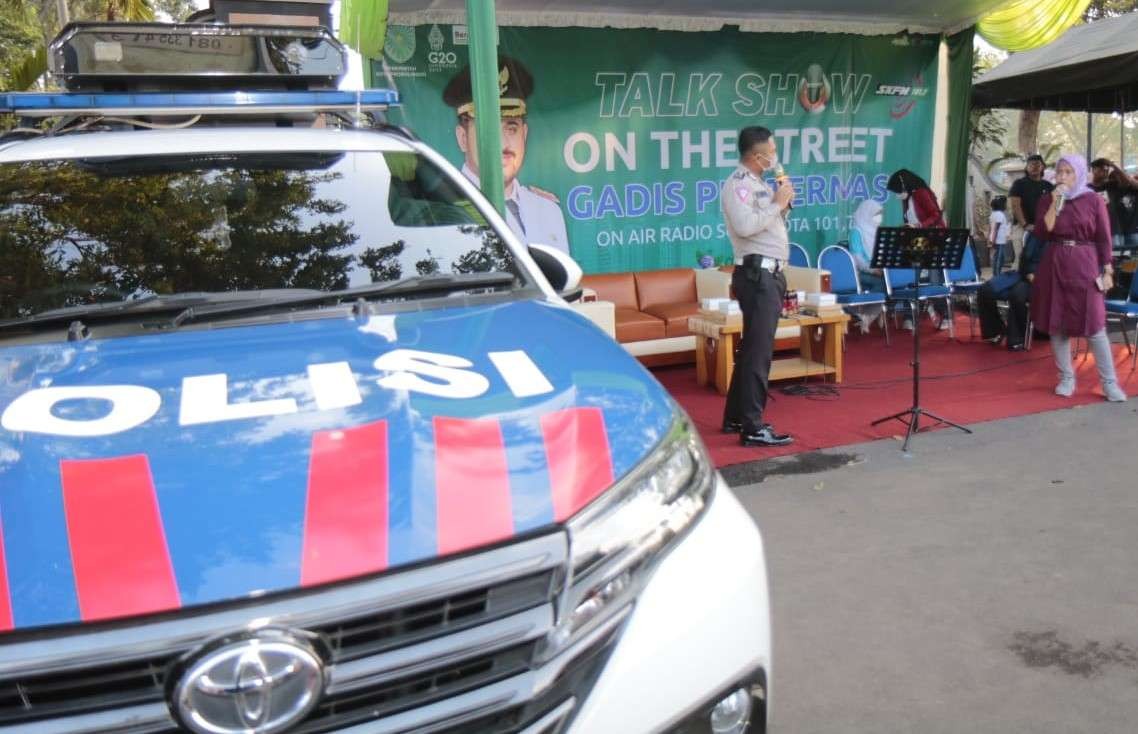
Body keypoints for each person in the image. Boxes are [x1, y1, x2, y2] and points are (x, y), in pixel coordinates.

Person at [442, 56, 570, 254]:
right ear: (462, 138)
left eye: (511, 129)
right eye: (489, 131)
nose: (503, 143)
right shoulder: (444, 214)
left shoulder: (548, 211)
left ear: (524, 135)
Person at [720, 126, 796, 447]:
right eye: (772, 150)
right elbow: (746, 226)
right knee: (759, 353)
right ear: (756, 155)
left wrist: (783, 204)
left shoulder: (760, 184)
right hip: (756, 275)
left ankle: (736, 416)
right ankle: (752, 426)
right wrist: (777, 204)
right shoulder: (737, 185)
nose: (775, 156)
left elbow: (769, 224)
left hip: (769, 275)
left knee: (752, 349)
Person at [1031, 153, 1127, 402]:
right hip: (1054, 262)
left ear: (1079, 174)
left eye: (1068, 172)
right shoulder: (1048, 199)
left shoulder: (1093, 199)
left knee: (1095, 325)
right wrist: (1055, 201)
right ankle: (1066, 378)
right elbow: (1042, 231)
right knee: (1057, 325)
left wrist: (1107, 268)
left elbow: (1104, 236)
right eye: (1060, 172)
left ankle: (1109, 383)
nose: (1063, 176)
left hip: (1085, 262)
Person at [885, 168, 949, 329]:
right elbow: (909, 218)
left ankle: (945, 316)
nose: (897, 195)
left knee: (935, 279)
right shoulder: (906, 198)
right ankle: (909, 316)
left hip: (933, 238)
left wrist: (920, 225)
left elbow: (936, 215)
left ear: (904, 186)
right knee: (911, 277)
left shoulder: (921, 193)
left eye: (897, 191)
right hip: (917, 240)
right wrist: (907, 227)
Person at [976, 231, 1047, 351]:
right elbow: (1024, 260)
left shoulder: (1059, 236)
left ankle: (1017, 338)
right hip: (1020, 273)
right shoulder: (1033, 233)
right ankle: (996, 331)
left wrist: (1037, 276)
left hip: (1042, 280)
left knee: (1017, 294)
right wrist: (1027, 272)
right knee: (985, 289)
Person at [847, 198, 886, 333]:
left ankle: (866, 316)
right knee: (883, 283)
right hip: (860, 272)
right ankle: (867, 315)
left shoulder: (877, 231)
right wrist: (873, 270)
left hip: (877, 270)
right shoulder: (856, 232)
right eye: (876, 214)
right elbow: (857, 259)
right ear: (866, 213)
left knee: (887, 281)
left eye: (880, 213)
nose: (879, 217)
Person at [1009, 153, 1054, 269]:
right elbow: (1015, 205)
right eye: (1031, 164)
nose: (1034, 167)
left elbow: (1054, 208)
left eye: (1037, 164)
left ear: (1043, 167)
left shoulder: (1049, 186)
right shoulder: (1019, 184)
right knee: (1021, 259)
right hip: (1021, 227)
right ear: (1026, 167)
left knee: (1043, 260)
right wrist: (1025, 224)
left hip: (1043, 229)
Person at [1090, 157, 1138, 253]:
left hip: (1119, 233)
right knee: (1110, 264)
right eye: (1102, 169)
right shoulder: (1089, 188)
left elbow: (1128, 181)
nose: (1105, 172)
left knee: (1128, 262)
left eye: (1107, 170)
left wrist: (1114, 166)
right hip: (1104, 233)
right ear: (1094, 170)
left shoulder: (1113, 186)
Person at [988, 195, 1010, 273]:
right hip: (999, 240)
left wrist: (990, 239)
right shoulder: (999, 215)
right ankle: (996, 274)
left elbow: (990, 229)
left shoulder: (993, 214)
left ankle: (996, 273)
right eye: (1005, 203)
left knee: (998, 257)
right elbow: (995, 229)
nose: (1006, 205)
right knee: (999, 258)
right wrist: (993, 242)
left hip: (996, 240)